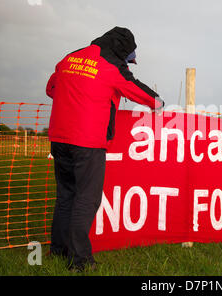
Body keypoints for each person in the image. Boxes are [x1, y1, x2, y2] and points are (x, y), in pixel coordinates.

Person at [45, 26, 164, 271]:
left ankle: (57, 250)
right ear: (123, 52)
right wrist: (159, 102)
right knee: (86, 199)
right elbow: (143, 94)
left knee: (65, 196)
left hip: (58, 138)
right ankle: (80, 261)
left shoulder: (69, 58)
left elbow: (51, 89)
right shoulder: (112, 67)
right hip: (88, 142)